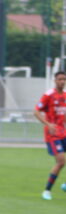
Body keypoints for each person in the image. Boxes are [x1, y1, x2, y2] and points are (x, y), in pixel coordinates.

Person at [34, 71, 66, 200]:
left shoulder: (65, 96)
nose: (62, 82)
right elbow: (36, 111)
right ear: (55, 81)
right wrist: (48, 124)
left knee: (62, 162)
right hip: (52, 135)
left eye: (64, 79)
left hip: (63, 133)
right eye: (59, 79)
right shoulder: (48, 95)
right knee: (61, 161)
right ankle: (47, 191)